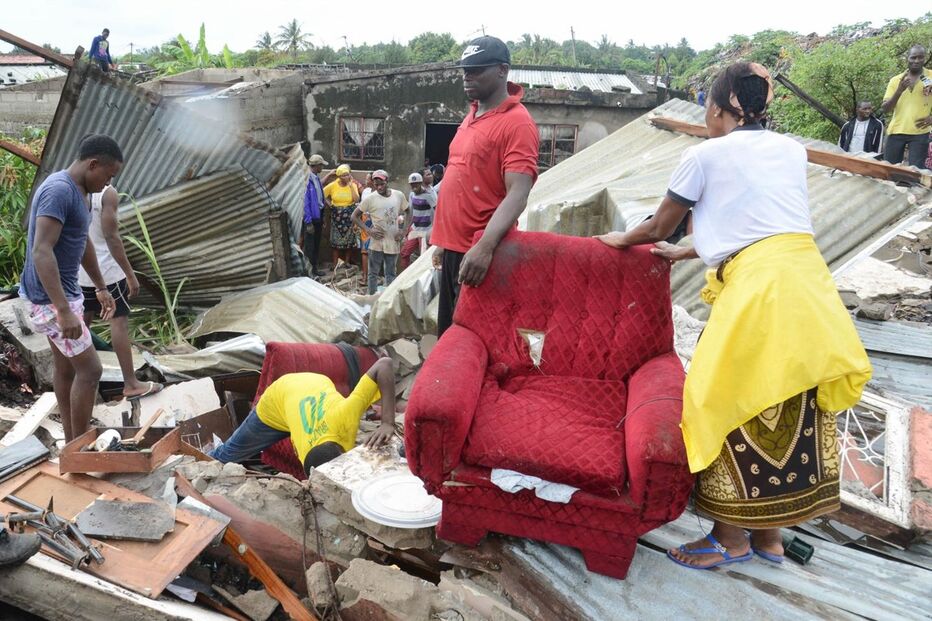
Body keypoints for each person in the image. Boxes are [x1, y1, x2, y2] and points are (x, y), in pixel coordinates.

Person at [596, 62, 871, 570]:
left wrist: (619, 239)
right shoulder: (790, 150)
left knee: (721, 402)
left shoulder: (703, 155)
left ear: (719, 107)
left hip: (760, 293)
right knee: (787, 399)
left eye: (708, 105)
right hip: (807, 284)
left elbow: (659, 225)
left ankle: (729, 539)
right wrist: (690, 252)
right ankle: (769, 539)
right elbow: (763, 223)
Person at [430, 36, 539, 337]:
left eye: (477, 70)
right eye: (465, 70)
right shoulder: (472, 115)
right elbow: (464, 177)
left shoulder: (517, 123)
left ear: (502, 70)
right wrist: (444, 242)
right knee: (448, 337)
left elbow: (518, 192)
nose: (468, 77)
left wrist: (485, 247)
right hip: (456, 249)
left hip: (479, 254)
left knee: (470, 342)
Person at [20, 134, 123, 442]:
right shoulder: (59, 191)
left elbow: (82, 240)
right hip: (50, 299)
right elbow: (41, 251)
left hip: (65, 293)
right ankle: (80, 447)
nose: (108, 183)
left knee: (66, 369)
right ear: (93, 164)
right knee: (91, 370)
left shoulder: (83, 191)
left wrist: (101, 286)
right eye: (108, 175)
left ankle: (71, 444)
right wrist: (63, 310)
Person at [210, 357, 397, 473]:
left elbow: (384, 364)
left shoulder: (345, 414)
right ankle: (198, 463)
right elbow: (384, 364)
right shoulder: (303, 448)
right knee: (229, 453)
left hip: (311, 384)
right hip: (278, 399)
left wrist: (387, 423)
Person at [77, 184, 161, 400]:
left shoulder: (75, 187)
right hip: (107, 271)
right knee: (119, 322)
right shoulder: (107, 193)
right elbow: (112, 237)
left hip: (81, 270)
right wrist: (130, 275)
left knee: (83, 324)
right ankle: (130, 383)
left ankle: (78, 380)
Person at [352, 170, 408, 294]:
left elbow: (408, 211)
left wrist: (403, 231)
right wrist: (369, 230)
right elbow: (354, 216)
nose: (379, 187)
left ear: (387, 181)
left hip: (392, 241)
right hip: (376, 242)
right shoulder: (370, 198)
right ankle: (371, 298)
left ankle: (389, 300)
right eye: (376, 185)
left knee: (391, 273)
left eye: (382, 184)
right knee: (373, 273)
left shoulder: (398, 195)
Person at [881, 45, 932, 168]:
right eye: (913, 57)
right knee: (890, 170)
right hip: (896, 131)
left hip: (920, 132)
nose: (917, 61)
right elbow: (885, 109)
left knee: (916, 173)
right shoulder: (896, 80)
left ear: (925, 58)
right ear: (907, 58)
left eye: (920, 57)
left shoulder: (930, 76)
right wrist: (899, 90)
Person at [323, 164, 360, 269]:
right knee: (335, 242)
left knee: (349, 241)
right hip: (337, 217)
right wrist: (330, 204)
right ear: (339, 176)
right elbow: (322, 194)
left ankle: (346, 262)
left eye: (348, 174)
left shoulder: (353, 185)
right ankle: (335, 263)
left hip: (349, 216)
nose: (347, 177)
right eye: (344, 175)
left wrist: (351, 186)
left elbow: (356, 200)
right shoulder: (333, 185)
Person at [400, 172, 437, 269]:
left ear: (420, 183)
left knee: (423, 258)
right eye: (412, 184)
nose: (414, 186)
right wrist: (406, 229)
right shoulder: (412, 194)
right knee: (404, 253)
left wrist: (435, 229)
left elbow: (437, 210)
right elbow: (410, 212)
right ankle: (406, 275)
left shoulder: (429, 195)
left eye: (416, 184)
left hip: (426, 231)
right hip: (415, 229)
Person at [301, 154, 328, 277]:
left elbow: (320, 198)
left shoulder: (316, 178)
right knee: (310, 246)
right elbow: (305, 203)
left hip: (318, 215)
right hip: (311, 218)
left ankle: (314, 270)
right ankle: (309, 273)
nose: (322, 167)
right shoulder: (307, 180)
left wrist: (323, 217)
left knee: (316, 244)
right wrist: (308, 222)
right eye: (321, 165)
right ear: (316, 166)